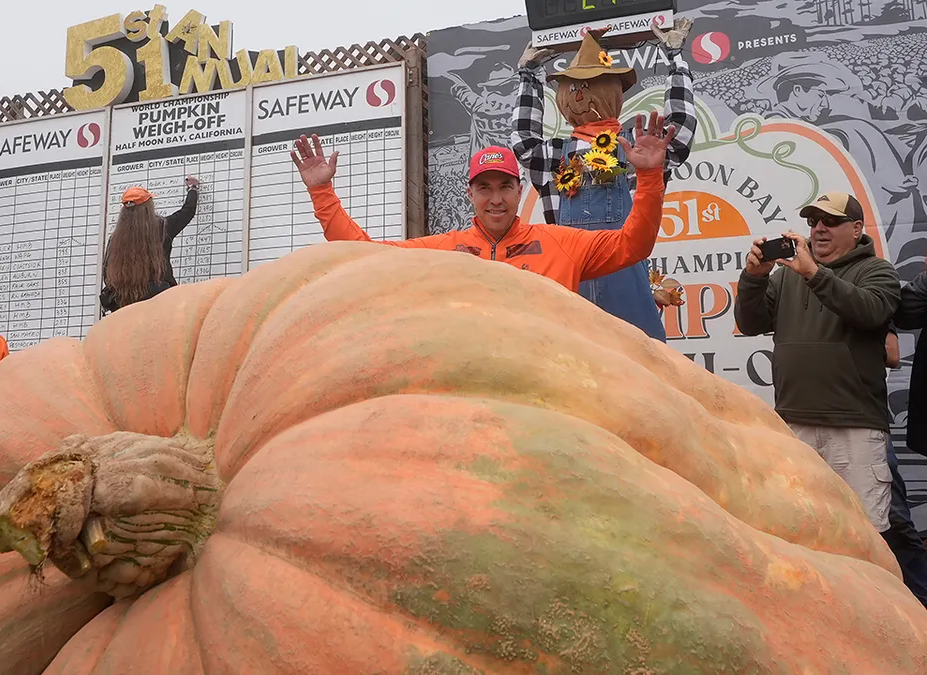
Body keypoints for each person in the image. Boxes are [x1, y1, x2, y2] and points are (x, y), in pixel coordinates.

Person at [288, 110, 674, 294]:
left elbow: (632, 245)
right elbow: (364, 254)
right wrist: (322, 192)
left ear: (520, 190)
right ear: (469, 193)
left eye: (504, 187)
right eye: (484, 188)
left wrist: (649, 177)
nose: (495, 199)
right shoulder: (443, 250)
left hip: (550, 393)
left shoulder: (563, 244)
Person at [511, 22, 697, 342]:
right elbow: (523, 139)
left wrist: (675, 59)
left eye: (588, 85)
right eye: (571, 87)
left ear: (612, 92)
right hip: (570, 288)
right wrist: (527, 77)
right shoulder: (555, 156)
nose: (578, 94)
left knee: (642, 373)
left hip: (628, 284)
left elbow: (678, 132)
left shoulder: (635, 145)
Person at [734, 191, 900, 541]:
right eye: (813, 222)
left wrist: (814, 274)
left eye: (831, 221)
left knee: (864, 537)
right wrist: (755, 278)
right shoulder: (786, 276)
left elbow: (870, 312)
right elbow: (750, 324)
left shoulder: (877, 270)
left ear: (856, 229)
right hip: (795, 425)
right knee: (804, 532)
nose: (819, 228)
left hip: (853, 427)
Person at [100, 176, 200, 314]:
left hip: (124, 304)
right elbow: (187, 212)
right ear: (148, 207)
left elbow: (107, 274)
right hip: (159, 301)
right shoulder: (162, 227)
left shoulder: (115, 239)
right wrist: (192, 189)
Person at [879, 325, 927, 608]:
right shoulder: (792, 291)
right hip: (798, 414)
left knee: (893, 515)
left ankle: (921, 597)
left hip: (859, 418)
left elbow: (892, 354)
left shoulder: (864, 291)